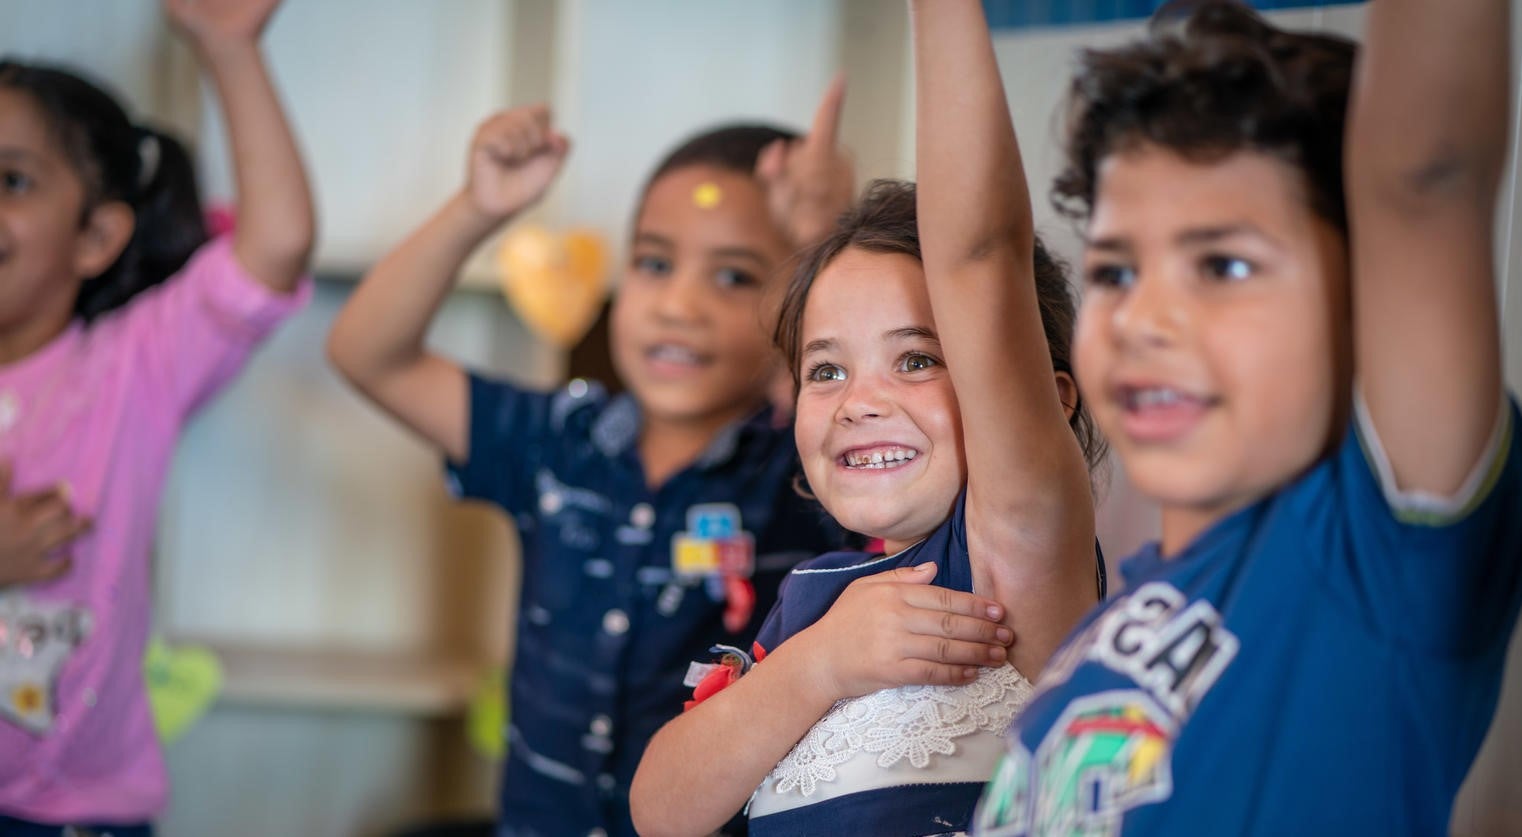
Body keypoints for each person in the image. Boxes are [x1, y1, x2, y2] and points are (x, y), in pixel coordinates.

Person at [974, 1, 1521, 833]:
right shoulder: (1115, 617)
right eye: (1117, 271)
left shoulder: (1367, 567)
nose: (1143, 316)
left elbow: (1425, 177)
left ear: (1374, 309)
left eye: (1223, 265)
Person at [327, 86, 855, 835]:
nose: (679, 303)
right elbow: (367, 353)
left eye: (734, 276)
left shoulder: (812, 473)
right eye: (653, 262)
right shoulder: (558, 441)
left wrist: (826, 241)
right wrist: (478, 208)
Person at [631, 4, 1103, 833]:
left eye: (917, 358)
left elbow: (980, 253)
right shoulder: (813, 605)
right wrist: (818, 664)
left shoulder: (1013, 555)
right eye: (826, 369)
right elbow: (661, 810)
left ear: (1051, 398)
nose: (858, 400)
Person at [0, 0, 314, 833]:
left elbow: (274, 248)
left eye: (12, 180)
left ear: (96, 237)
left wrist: (229, 50)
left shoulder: (128, 363)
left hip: (79, 814)